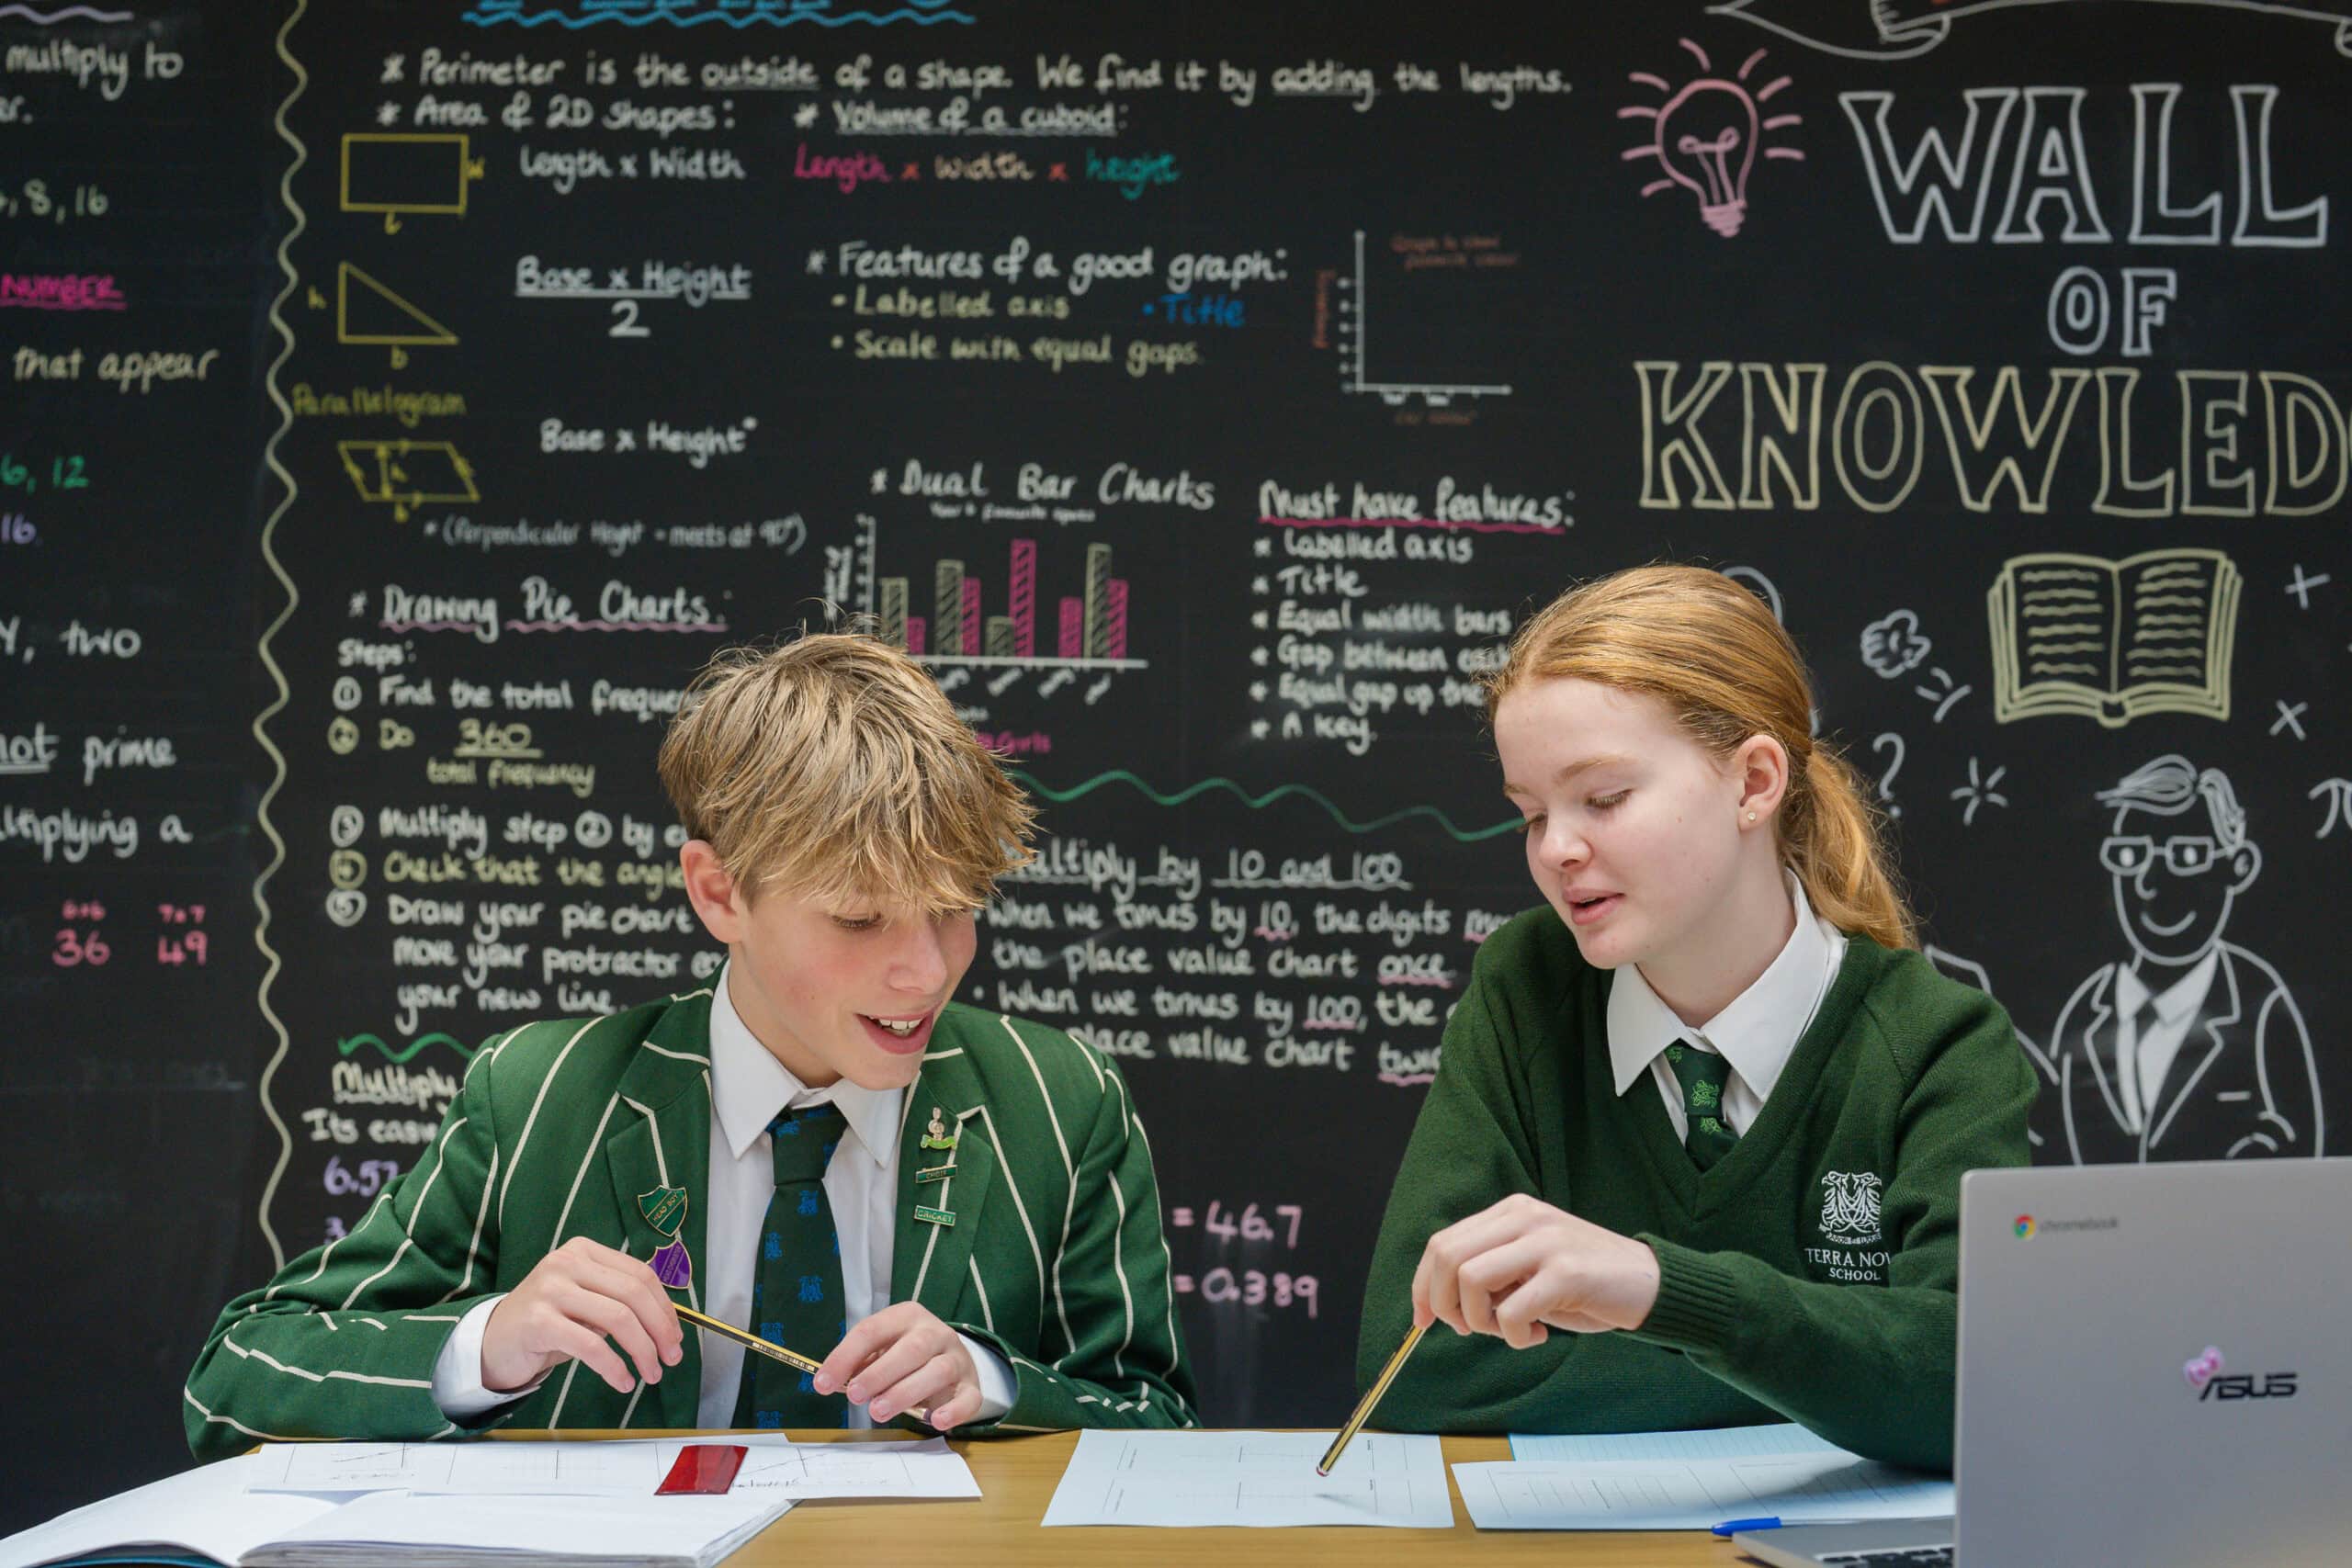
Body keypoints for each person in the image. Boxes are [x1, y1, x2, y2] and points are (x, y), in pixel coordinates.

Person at [186, 631, 1196, 1461]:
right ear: (719, 893)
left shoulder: (1060, 1103)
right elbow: (238, 1380)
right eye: (858, 920)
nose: (926, 972)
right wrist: (483, 1346)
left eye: (954, 912)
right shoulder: (539, 1096)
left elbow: (1162, 1429)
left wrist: (998, 1383)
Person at [1357, 565, 2034, 1472]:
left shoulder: (1937, 1046)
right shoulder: (1526, 991)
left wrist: (1656, 1292)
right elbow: (1419, 1371)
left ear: (1753, 782)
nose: (1557, 848)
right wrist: (1840, 1370)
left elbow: (1973, 1383)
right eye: (1529, 815)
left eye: (1602, 799)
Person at [2041, 754, 2322, 1163]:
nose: (2151, 883)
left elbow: (2308, 1175)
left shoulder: (2262, 1010)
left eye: (2186, 856)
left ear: (2237, 868)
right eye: (2130, 855)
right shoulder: (2086, 1013)